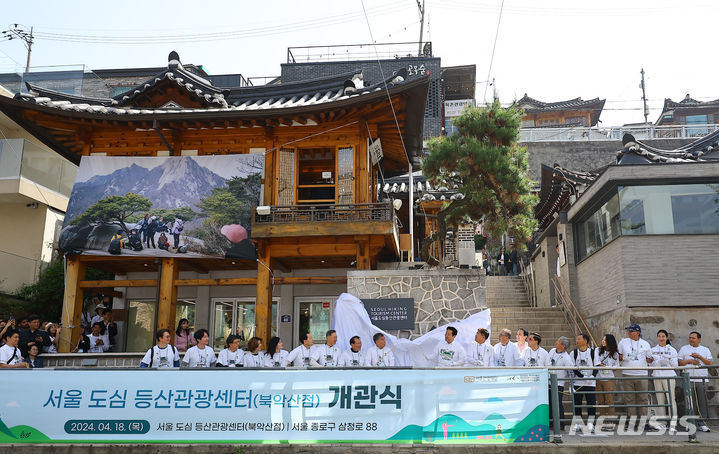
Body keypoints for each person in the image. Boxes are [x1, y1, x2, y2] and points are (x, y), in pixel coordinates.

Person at [617, 324, 654, 423]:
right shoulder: (623, 342)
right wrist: (622, 358)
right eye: (628, 331)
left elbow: (649, 358)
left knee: (643, 398)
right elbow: (619, 355)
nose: (629, 332)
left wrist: (650, 359)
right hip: (627, 374)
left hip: (642, 374)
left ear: (638, 332)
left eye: (631, 331)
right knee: (629, 399)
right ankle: (632, 421)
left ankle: (643, 421)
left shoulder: (645, 344)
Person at [677, 331, 713, 432]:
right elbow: (679, 363)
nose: (691, 340)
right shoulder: (684, 348)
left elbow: (710, 363)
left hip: (701, 379)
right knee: (689, 402)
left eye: (693, 338)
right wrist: (690, 361)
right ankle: (690, 423)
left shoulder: (705, 349)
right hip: (688, 379)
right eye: (690, 338)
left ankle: (703, 423)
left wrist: (699, 357)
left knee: (702, 402)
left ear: (699, 339)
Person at [651, 329, 678, 433]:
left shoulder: (672, 350)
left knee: (671, 399)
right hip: (657, 376)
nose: (661, 338)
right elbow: (650, 365)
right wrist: (654, 361)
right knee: (660, 400)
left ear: (666, 338)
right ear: (657, 337)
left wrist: (669, 359)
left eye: (663, 336)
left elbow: (675, 365)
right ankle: (663, 422)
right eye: (659, 336)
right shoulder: (653, 349)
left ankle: (673, 423)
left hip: (669, 376)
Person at [571, 334, 597, 431]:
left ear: (585, 341)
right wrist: (582, 376)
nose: (576, 340)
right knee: (577, 403)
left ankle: (591, 423)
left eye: (579, 339)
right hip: (578, 383)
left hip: (590, 383)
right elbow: (572, 368)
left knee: (591, 403)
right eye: (576, 338)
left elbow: (596, 366)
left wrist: (592, 376)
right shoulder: (573, 353)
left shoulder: (593, 352)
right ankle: (578, 423)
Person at [548, 337, 573, 428]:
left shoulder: (566, 357)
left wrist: (571, 385)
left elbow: (570, 371)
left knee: (557, 403)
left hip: (558, 383)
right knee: (549, 403)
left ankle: (560, 423)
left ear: (563, 345)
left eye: (558, 341)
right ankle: (551, 422)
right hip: (549, 382)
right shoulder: (552, 351)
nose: (556, 342)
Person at [594, 334, 620, 417]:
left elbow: (616, 366)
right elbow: (596, 362)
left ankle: (611, 419)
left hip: (609, 378)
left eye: (605, 340)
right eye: (602, 339)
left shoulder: (615, 353)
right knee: (600, 401)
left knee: (609, 400)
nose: (603, 341)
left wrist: (605, 366)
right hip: (598, 378)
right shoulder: (597, 350)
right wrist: (608, 366)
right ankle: (602, 418)